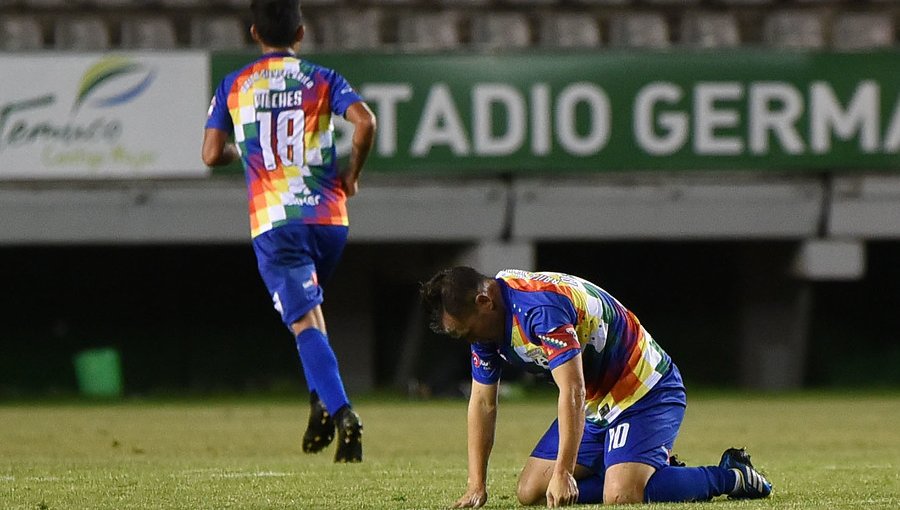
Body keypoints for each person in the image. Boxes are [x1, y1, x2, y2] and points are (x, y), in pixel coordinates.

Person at [420, 267, 772, 507]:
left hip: (642, 389)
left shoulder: (538, 309)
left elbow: (571, 390)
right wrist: (476, 483)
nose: (467, 340)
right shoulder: (489, 321)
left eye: (465, 331)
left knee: (620, 495)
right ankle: (635, 461)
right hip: (595, 400)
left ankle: (731, 475)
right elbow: (483, 403)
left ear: (484, 302)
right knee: (531, 491)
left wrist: (562, 472)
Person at [201, 0, 376, 463]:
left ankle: (342, 413)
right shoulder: (323, 78)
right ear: (301, 34)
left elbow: (210, 153)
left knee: (302, 323)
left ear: (254, 32)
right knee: (311, 315)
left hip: (277, 222)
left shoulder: (234, 84)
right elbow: (365, 122)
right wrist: (352, 174)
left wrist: (245, 151)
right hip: (330, 220)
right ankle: (319, 402)